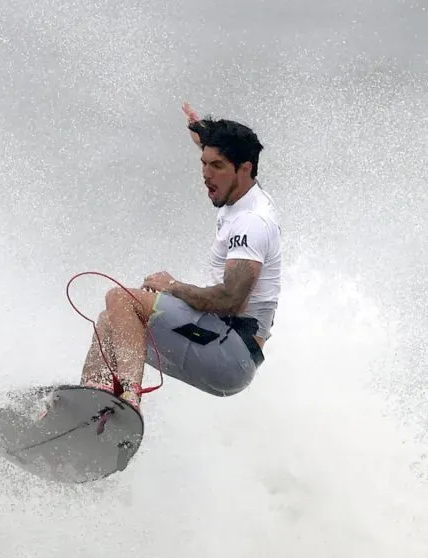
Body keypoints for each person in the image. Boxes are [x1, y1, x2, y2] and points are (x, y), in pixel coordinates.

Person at [79, 102, 283, 409]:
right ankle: (88, 406)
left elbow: (231, 300)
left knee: (123, 299)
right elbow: (221, 153)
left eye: (216, 166)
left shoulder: (252, 222)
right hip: (217, 343)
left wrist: (172, 285)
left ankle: (128, 400)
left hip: (231, 353)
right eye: (204, 163)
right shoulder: (242, 193)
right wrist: (203, 133)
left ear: (245, 168)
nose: (205, 174)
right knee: (110, 321)